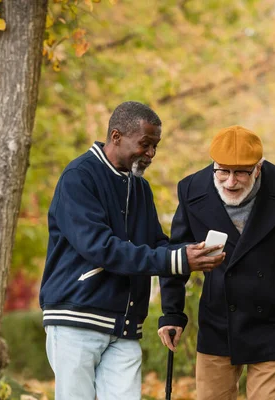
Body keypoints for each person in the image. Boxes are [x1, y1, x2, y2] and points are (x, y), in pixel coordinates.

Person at [38, 101, 225, 400]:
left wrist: (191, 254)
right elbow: (100, 248)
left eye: (155, 146)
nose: (151, 153)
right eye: (145, 144)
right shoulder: (79, 177)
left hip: (125, 327)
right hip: (76, 319)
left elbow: (156, 246)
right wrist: (174, 258)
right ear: (116, 137)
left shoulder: (140, 188)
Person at [158, 125, 275, 400]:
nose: (230, 181)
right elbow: (178, 253)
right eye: (222, 171)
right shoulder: (191, 189)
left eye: (241, 172)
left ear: (258, 168)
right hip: (218, 319)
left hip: (274, 321)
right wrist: (172, 313)